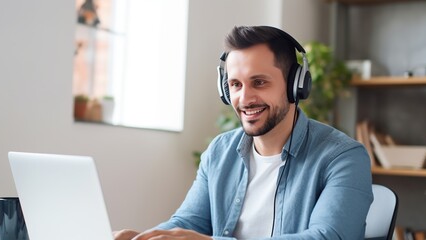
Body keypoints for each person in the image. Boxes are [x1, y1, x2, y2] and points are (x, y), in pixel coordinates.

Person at [114, 25, 373, 240]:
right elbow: (189, 222)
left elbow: (327, 237)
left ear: (296, 85)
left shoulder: (343, 157)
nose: (244, 98)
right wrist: (143, 237)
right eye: (235, 84)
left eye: (259, 82)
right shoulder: (219, 151)